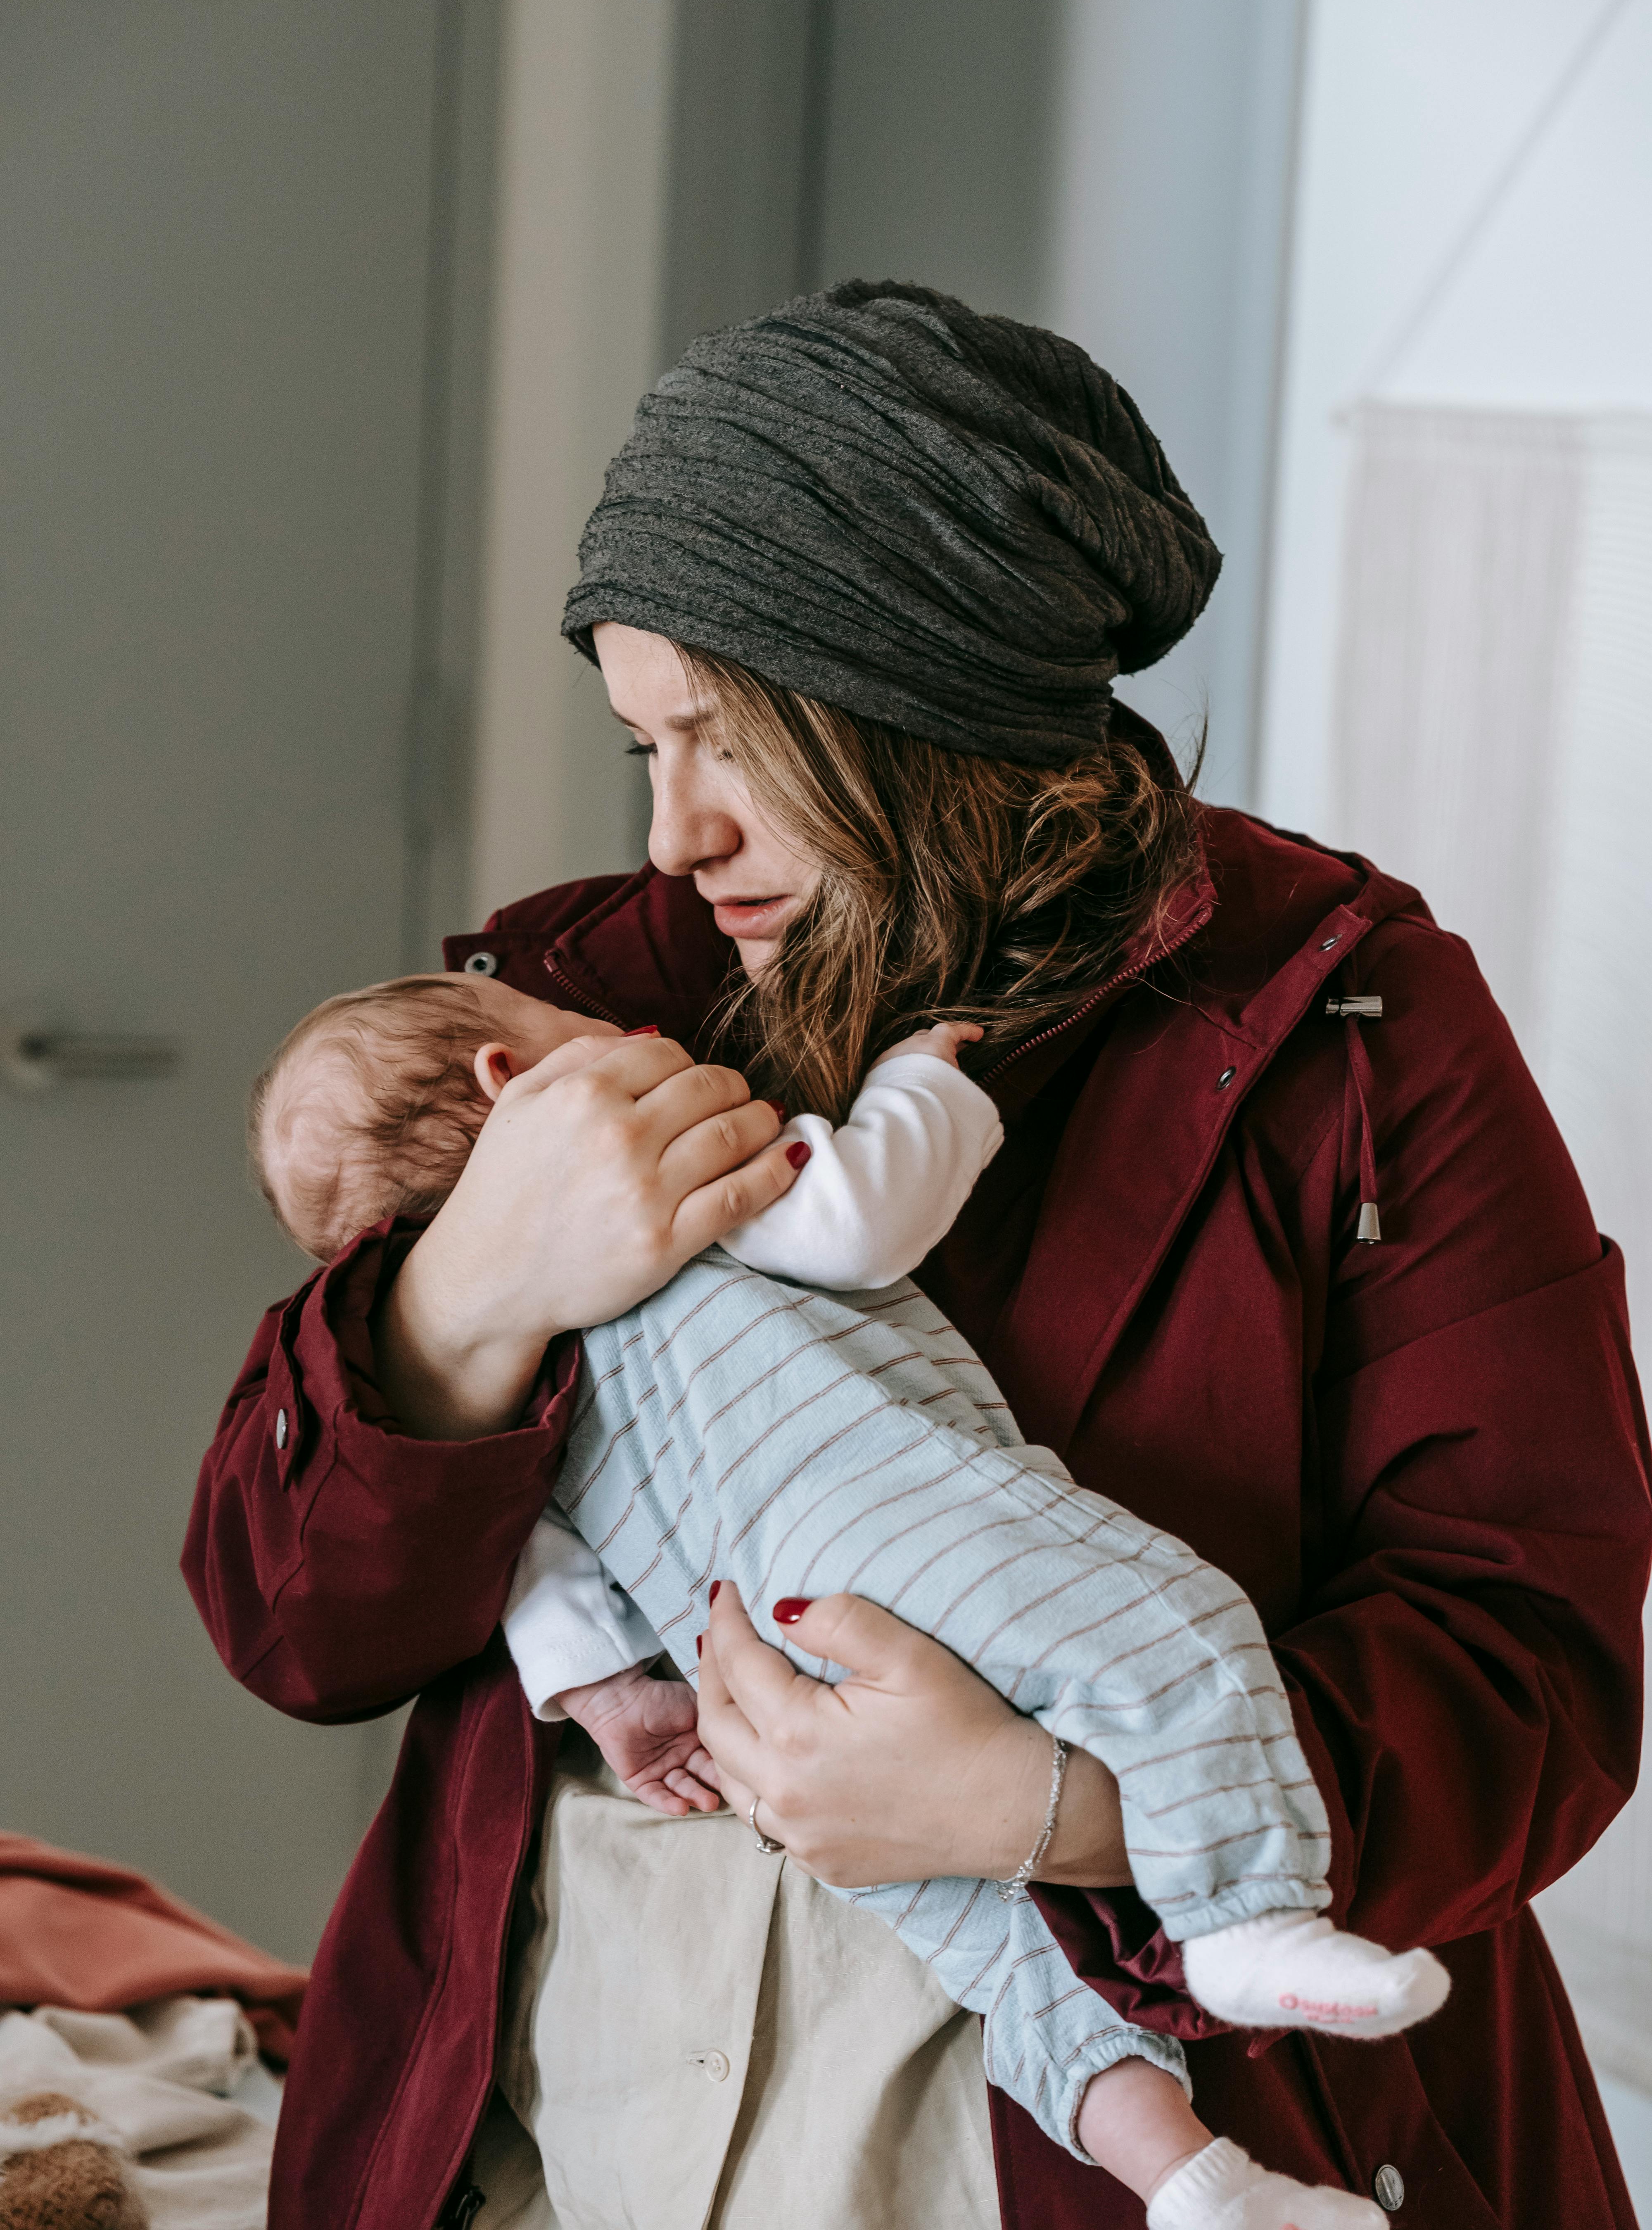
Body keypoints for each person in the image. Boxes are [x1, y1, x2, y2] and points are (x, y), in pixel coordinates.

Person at [184, 284, 1649, 2230]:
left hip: (1074, 2138)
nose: (677, 834)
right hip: (568, 2119)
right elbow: (294, 1628)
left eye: (725, 738)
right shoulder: (567, 1002)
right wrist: (464, 1303)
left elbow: (1530, 1658)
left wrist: (1051, 1812)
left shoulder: (1346, 1024)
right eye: (638, 744)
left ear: (917, 685)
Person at [246, 965, 1450, 2222]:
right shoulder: (673, 1195)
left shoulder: (525, 1368)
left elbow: (529, 1566)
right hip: (891, 1542)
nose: (620, 1032)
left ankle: (1200, 2185)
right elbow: (861, 1221)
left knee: (1006, 1959)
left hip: (757, 1694)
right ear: (520, 1080)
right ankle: (1247, 1915)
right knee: (1177, 1630)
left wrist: (612, 1701)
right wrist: (922, 1078)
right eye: (573, 1029)